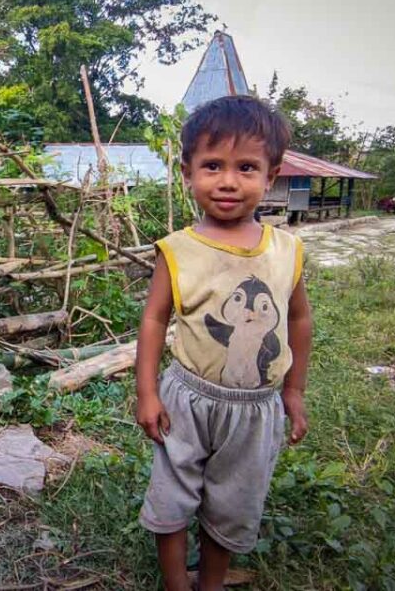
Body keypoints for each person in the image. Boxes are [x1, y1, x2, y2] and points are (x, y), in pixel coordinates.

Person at [134, 96, 313, 591]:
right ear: (188, 172)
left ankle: (209, 583)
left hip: (257, 409)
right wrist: (146, 391)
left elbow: (298, 318)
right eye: (212, 165)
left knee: (234, 503)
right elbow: (153, 319)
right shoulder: (178, 250)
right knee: (172, 495)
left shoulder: (286, 250)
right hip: (186, 401)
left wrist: (293, 391)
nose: (229, 181)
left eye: (247, 167)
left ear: (271, 175)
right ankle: (175, 585)